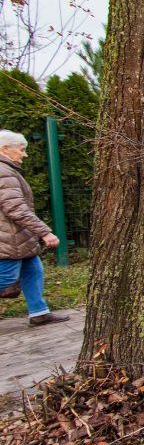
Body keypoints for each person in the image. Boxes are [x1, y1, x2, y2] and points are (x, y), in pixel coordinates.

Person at [0, 129, 71, 326]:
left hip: (17, 236)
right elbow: (15, 208)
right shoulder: (3, 172)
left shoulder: (7, 170)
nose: (25, 154)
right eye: (21, 150)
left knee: (33, 269)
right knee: (5, 279)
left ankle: (39, 312)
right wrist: (45, 232)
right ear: (5, 148)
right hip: (7, 238)